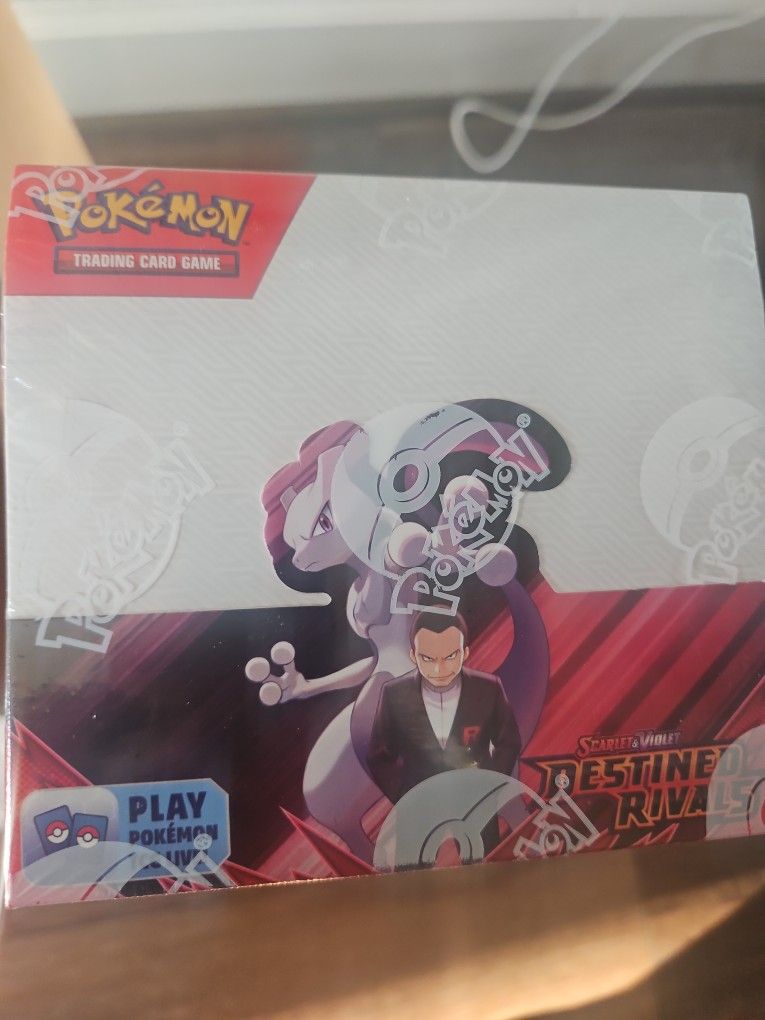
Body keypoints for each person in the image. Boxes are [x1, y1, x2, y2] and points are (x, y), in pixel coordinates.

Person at [367, 610, 521, 808]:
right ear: (413, 655)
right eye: (428, 658)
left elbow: (509, 742)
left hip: (479, 805)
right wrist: (406, 797)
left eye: (450, 656)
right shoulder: (393, 694)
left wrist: (490, 789)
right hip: (420, 809)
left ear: (465, 653)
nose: (439, 669)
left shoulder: (490, 689)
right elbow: (378, 756)